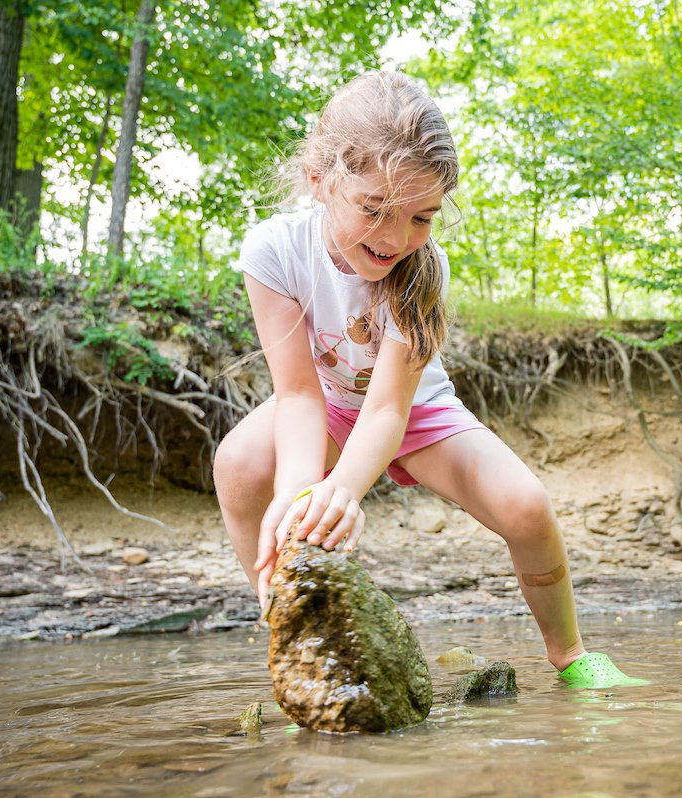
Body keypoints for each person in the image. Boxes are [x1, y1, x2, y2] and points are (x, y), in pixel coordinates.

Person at [213, 71, 642, 689]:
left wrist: (348, 488)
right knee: (239, 464)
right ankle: (294, 644)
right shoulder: (273, 251)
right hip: (328, 405)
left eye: (421, 217)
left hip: (417, 410)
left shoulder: (424, 267)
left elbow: (389, 409)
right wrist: (304, 493)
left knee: (528, 509)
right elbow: (300, 393)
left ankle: (570, 654)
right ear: (319, 179)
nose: (395, 238)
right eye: (375, 210)